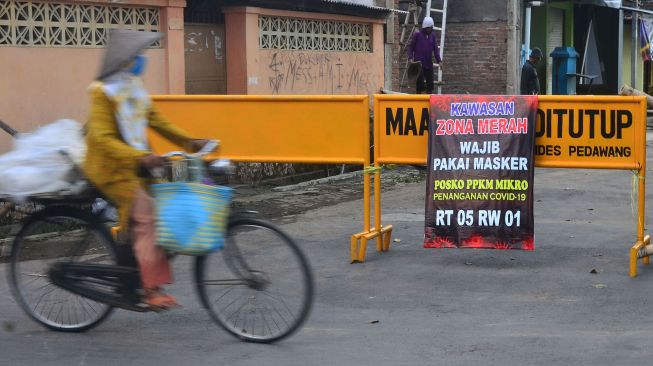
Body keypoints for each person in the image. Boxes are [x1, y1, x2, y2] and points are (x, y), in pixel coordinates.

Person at [83, 29, 209, 309]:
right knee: (146, 215)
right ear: (124, 60)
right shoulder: (102, 93)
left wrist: (189, 141)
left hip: (137, 166)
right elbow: (102, 139)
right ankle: (151, 289)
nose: (142, 60)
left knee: (162, 212)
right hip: (111, 169)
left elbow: (157, 120)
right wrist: (140, 157)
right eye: (138, 56)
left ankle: (131, 279)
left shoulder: (133, 88)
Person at [407, 16, 443, 94]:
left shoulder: (432, 36)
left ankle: (429, 102)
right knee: (420, 85)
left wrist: (439, 61)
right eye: (430, 28)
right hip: (419, 64)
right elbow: (411, 47)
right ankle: (419, 101)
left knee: (430, 85)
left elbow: (436, 50)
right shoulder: (417, 35)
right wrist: (410, 58)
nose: (431, 29)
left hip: (428, 63)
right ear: (426, 28)